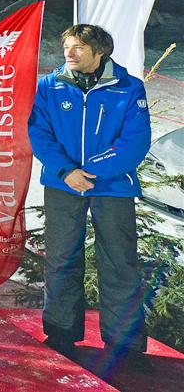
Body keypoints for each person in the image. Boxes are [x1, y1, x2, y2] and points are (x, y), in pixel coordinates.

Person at [28, 24, 152, 373]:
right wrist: (67, 171)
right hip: (63, 184)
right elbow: (39, 132)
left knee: (119, 262)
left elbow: (135, 141)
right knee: (61, 258)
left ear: (100, 52)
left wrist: (92, 171)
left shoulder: (128, 87)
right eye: (67, 46)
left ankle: (125, 344)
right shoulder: (49, 86)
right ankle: (61, 334)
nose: (69, 52)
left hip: (112, 187)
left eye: (79, 47)